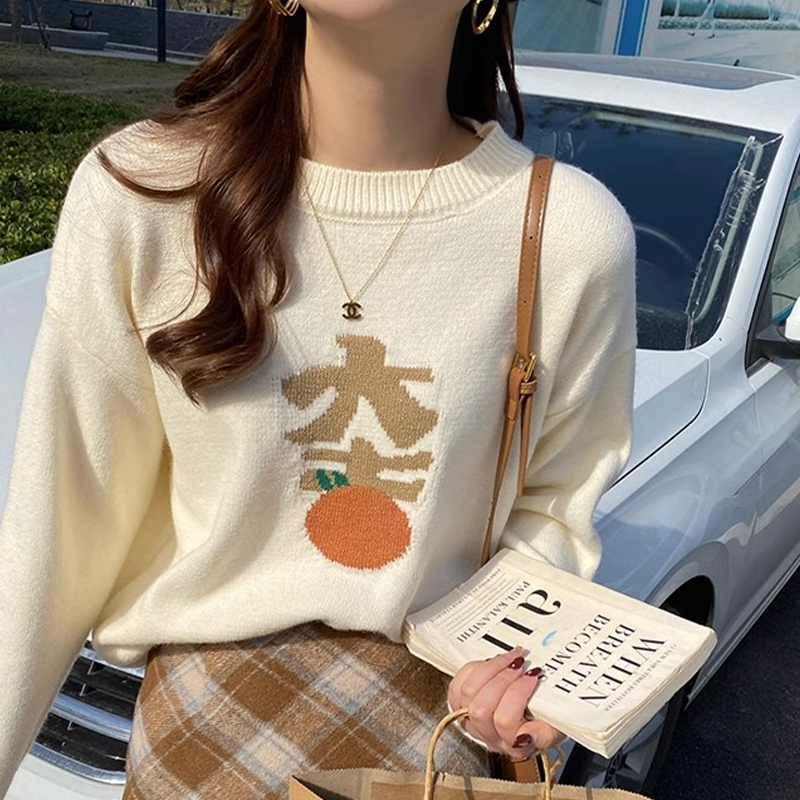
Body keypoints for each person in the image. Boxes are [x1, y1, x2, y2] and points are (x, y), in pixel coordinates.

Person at [0, 0, 637, 797]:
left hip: (426, 747)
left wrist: (516, 670)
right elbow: (60, 525)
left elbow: (553, 510)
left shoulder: (571, 235)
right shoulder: (148, 194)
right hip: (193, 750)